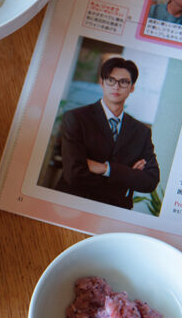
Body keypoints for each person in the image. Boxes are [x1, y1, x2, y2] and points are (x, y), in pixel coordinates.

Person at [55, 57, 160, 210]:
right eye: (111, 80)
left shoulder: (141, 132)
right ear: (102, 82)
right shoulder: (76, 118)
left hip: (115, 210)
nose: (116, 87)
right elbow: (74, 175)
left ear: (132, 87)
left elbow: (151, 181)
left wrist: (106, 169)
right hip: (71, 203)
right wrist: (128, 175)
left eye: (123, 82)